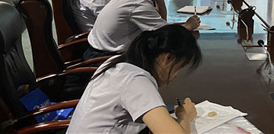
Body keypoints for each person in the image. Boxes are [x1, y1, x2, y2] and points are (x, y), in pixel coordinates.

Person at [68, 25, 201, 134]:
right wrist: (184, 117)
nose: (176, 75)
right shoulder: (136, 81)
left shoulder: (117, 62)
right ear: (168, 58)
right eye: (180, 67)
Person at [86, 0, 200, 58]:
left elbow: (161, 21)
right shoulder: (137, 4)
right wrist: (188, 26)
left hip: (96, 50)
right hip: (106, 58)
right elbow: (165, 34)